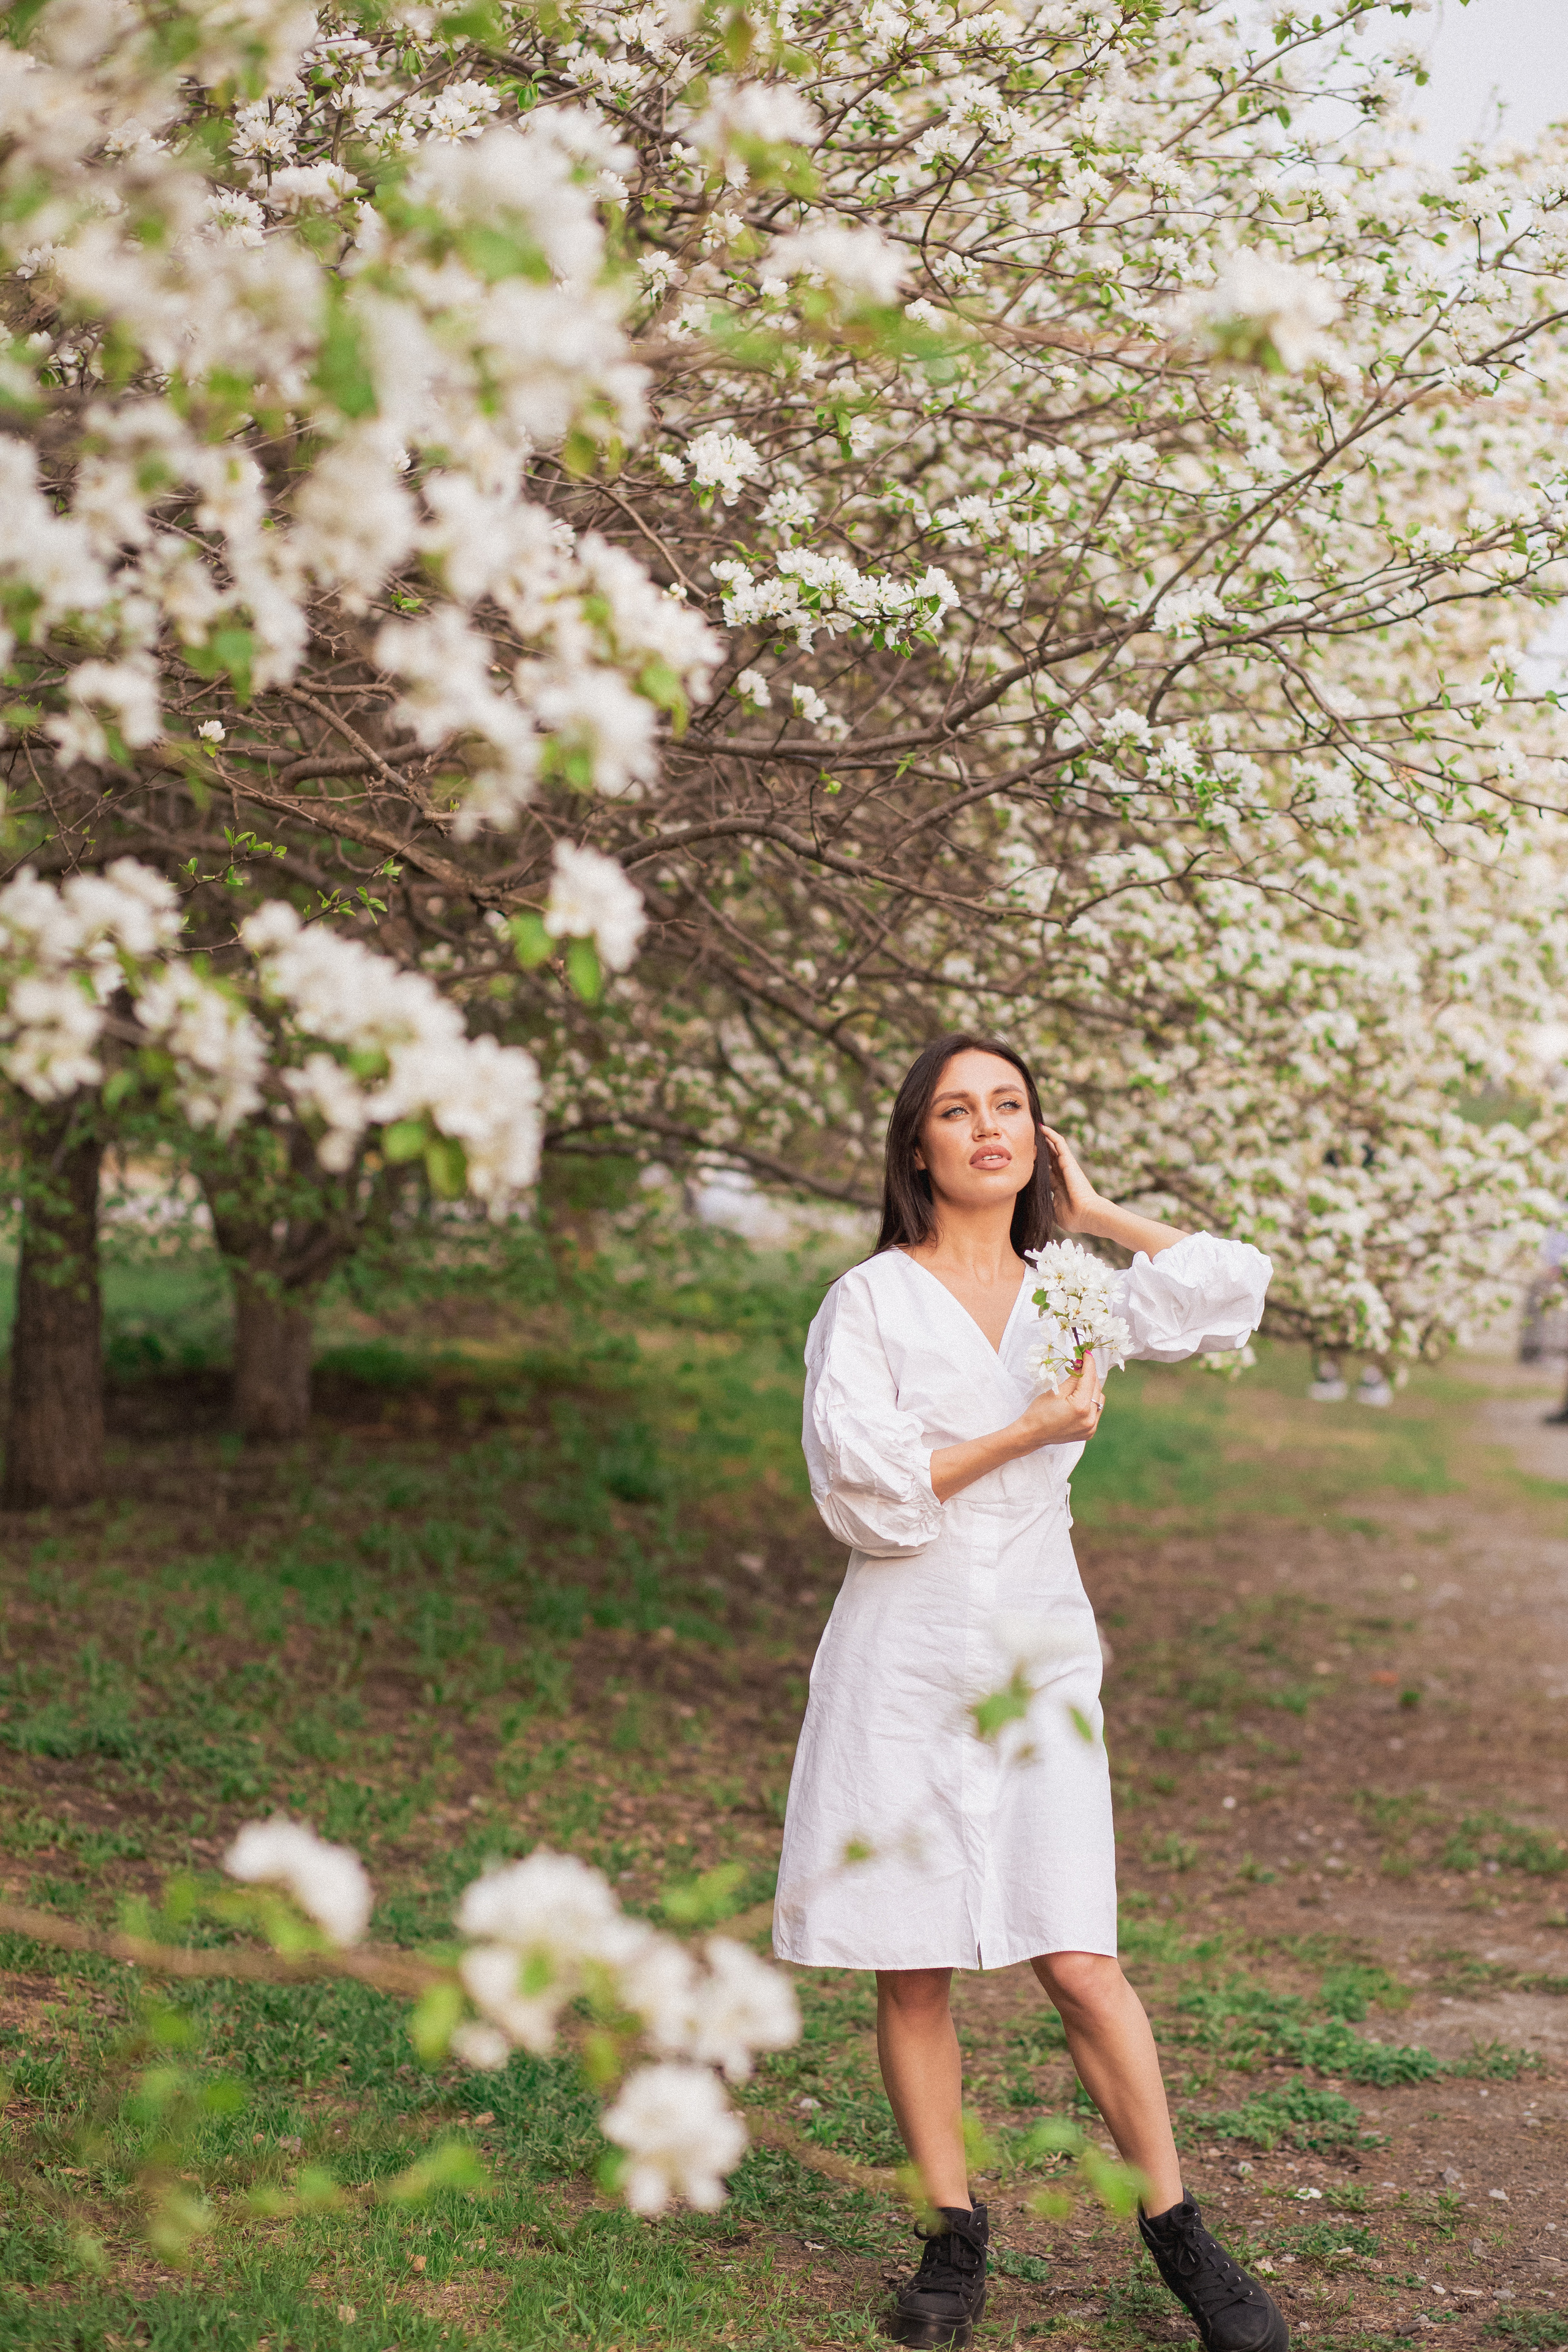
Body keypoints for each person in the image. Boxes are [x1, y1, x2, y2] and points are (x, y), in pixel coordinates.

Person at [774, 1034, 1283, 2352]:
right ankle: (950, 2237)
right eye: (957, 1110)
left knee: (1077, 1954)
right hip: (904, 1636)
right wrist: (1022, 1432)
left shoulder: (1073, 1288)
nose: (985, 1128)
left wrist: (1097, 1210)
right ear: (918, 1147)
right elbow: (860, 1488)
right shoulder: (870, 1301)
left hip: (1037, 1635)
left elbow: (1228, 1292)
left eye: (1008, 1107)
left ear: (1033, 1139)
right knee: (912, 1956)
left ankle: (1177, 2232)